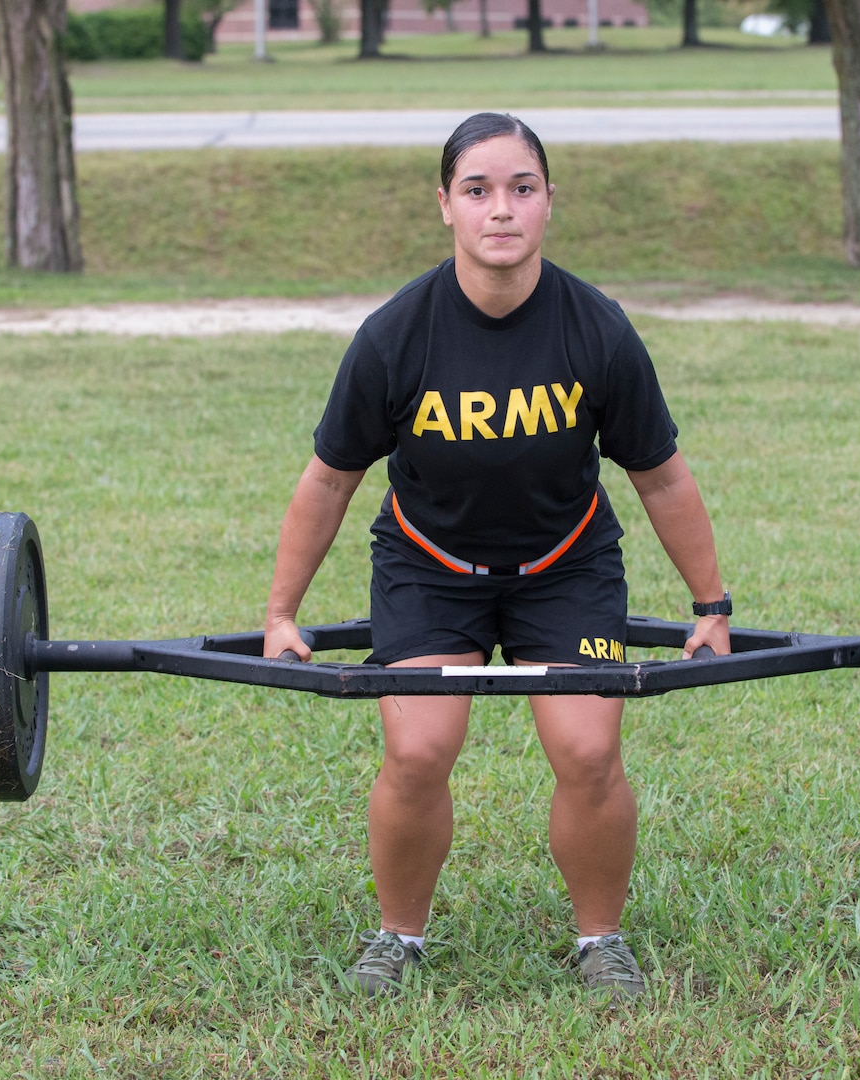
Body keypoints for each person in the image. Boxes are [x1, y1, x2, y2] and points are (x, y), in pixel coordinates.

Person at [263, 112, 732, 1001]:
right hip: (428, 568)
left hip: (566, 567)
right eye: (477, 190)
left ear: (549, 202)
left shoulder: (596, 328)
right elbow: (328, 482)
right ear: (445, 205)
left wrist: (711, 608)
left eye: (521, 188)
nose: (501, 210)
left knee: (588, 750)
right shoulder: (396, 334)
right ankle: (397, 937)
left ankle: (601, 940)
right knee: (418, 748)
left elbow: (661, 479)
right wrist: (281, 614)